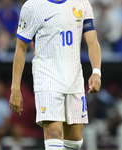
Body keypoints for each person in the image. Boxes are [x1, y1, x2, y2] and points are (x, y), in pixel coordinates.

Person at [9, 0, 102, 149]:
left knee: (75, 139)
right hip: (46, 78)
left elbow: (92, 42)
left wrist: (96, 72)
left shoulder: (82, 3)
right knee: (54, 133)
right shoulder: (32, 7)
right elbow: (20, 48)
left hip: (74, 78)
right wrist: (15, 88)